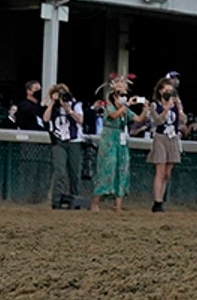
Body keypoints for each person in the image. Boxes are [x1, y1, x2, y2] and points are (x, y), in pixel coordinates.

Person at [42, 83, 85, 209]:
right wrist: (52, 103)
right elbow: (45, 119)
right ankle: (56, 200)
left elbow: (80, 120)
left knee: (74, 172)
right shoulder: (53, 107)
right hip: (59, 141)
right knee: (59, 171)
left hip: (74, 141)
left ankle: (74, 198)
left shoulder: (76, 105)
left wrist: (68, 109)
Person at [91, 76, 131, 212]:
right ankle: (95, 203)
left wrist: (145, 109)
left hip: (121, 142)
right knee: (107, 168)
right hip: (109, 141)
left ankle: (118, 204)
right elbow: (113, 115)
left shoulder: (125, 111)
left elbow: (138, 118)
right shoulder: (109, 107)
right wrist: (126, 106)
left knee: (122, 168)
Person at [146, 75, 183, 213]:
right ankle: (157, 202)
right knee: (160, 171)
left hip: (173, 137)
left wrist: (179, 108)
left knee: (167, 172)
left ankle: (161, 196)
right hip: (160, 137)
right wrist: (166, 108)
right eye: (166, 90)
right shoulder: (155, 105)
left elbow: (182, 120)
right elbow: (157, 121)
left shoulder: (176, 104)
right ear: (161, 91)